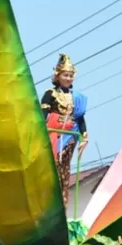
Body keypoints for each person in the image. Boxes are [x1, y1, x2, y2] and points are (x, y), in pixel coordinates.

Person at [40, 53, 88, 207]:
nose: (68, 78)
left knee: (64, 169)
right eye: (65, 75)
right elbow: (43, 115)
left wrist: (84, 136)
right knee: (52, 166)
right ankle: (48, 200)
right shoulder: (50, 94)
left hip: (70, 136)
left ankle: (62, 201)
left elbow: (80, 118)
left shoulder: (77, 97)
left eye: (70, 76)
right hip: (54, 135)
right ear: (58, 76)